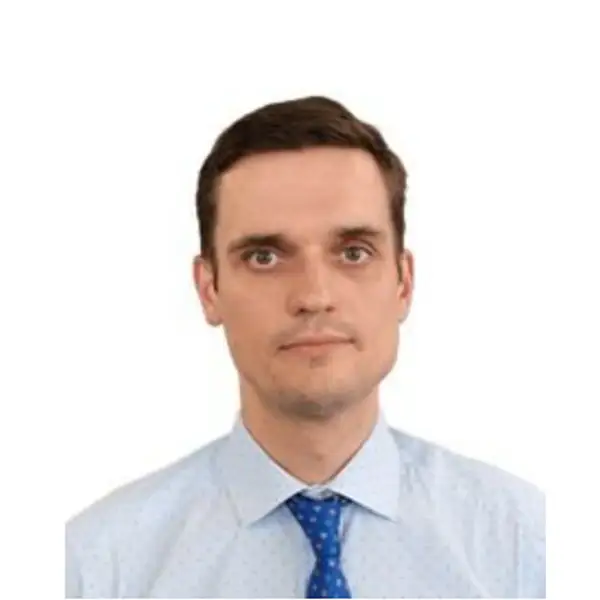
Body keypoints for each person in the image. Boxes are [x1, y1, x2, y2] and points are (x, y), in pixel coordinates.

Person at [65, 95, 545, 598]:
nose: (314, 296)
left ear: (403, 282)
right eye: (265, 257)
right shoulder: (99, 566)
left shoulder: (525, 546)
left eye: (354, 252)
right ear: (209, 289)